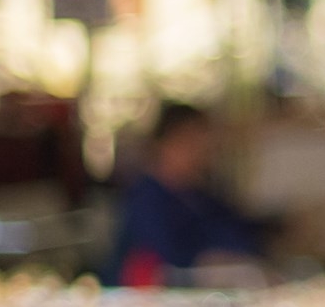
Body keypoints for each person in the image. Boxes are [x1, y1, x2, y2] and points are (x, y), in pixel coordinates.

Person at [106, 102, 267, 288]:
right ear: (164, 144)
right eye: (190, 143)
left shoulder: (200, 197)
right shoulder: (145, 199)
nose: (200, 154)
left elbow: (240, 234)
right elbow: (162, 261)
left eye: (204, 146)